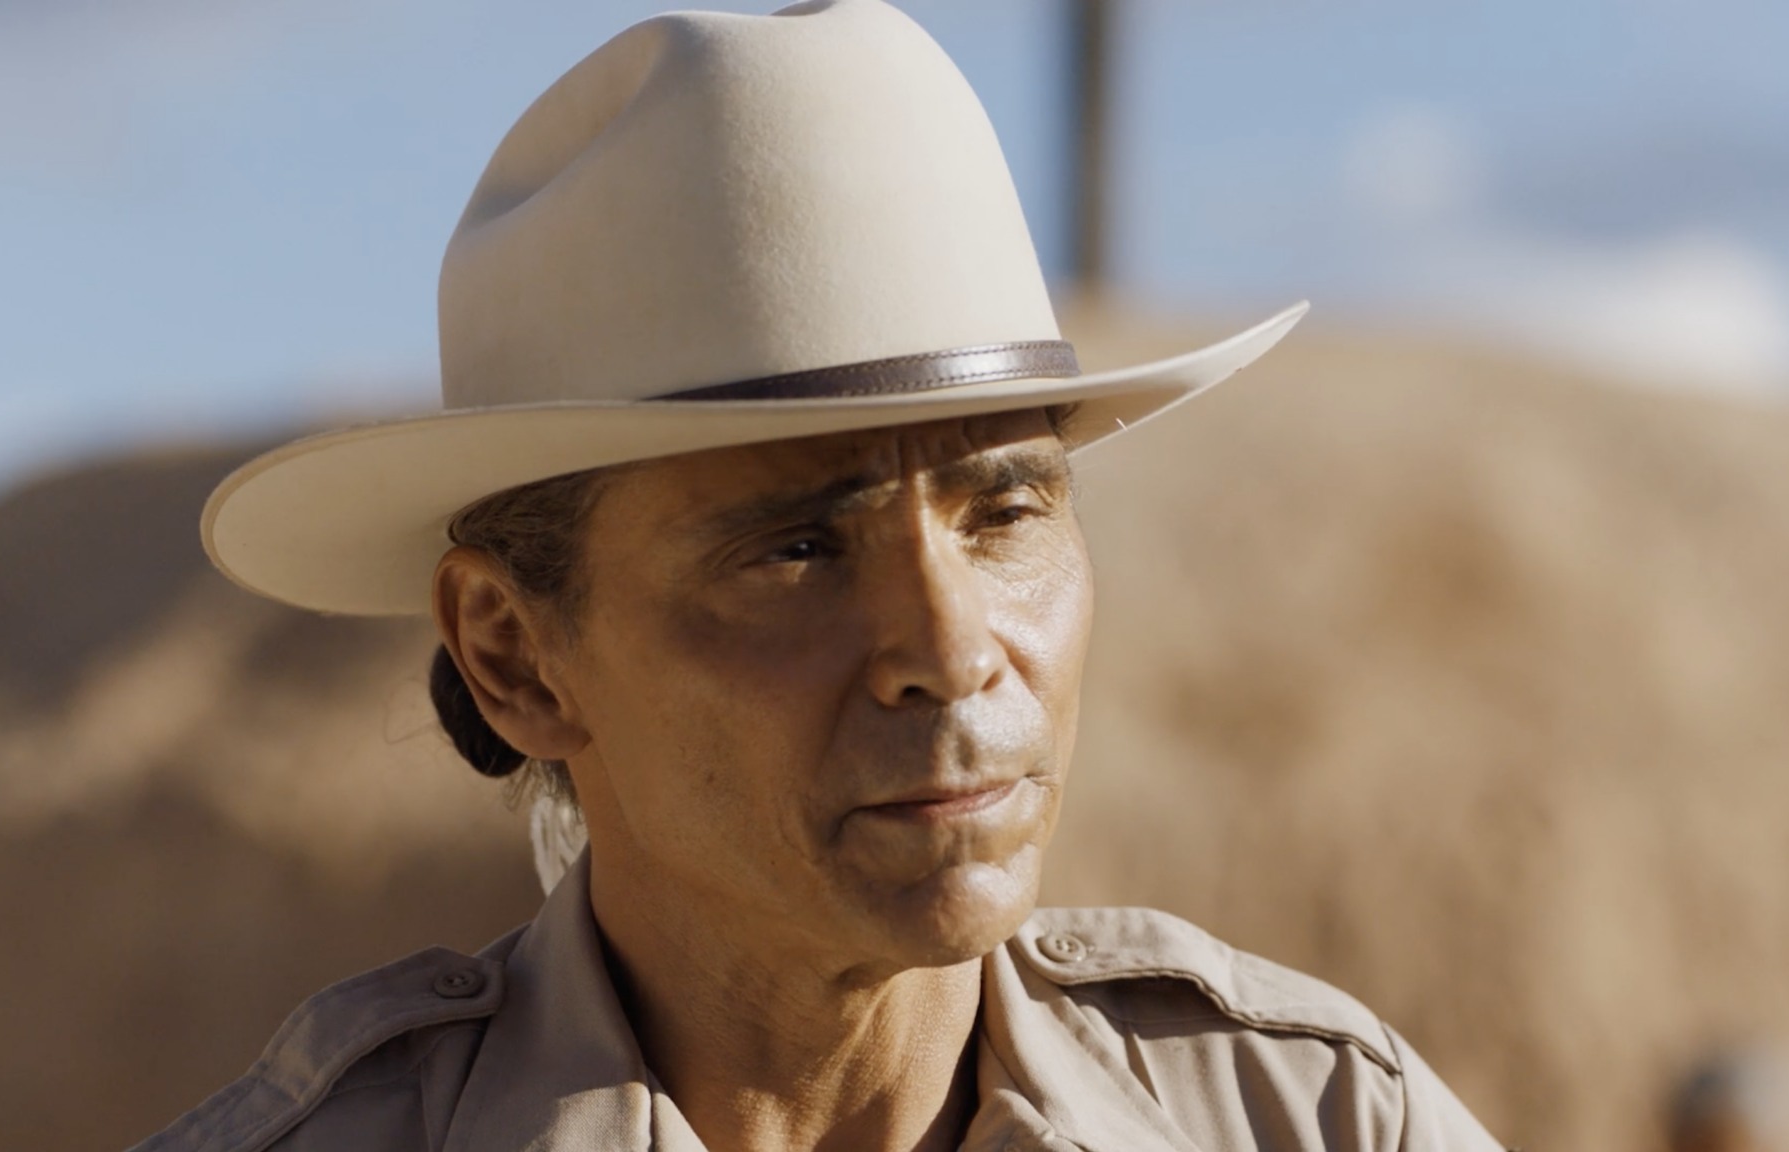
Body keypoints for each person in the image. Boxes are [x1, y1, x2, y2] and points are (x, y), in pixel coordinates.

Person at [152, 2, 1506, 1149]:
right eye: (795, 549)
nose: (953, 650)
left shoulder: (1313, 1117)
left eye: (1005, 512)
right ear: (514, 653)